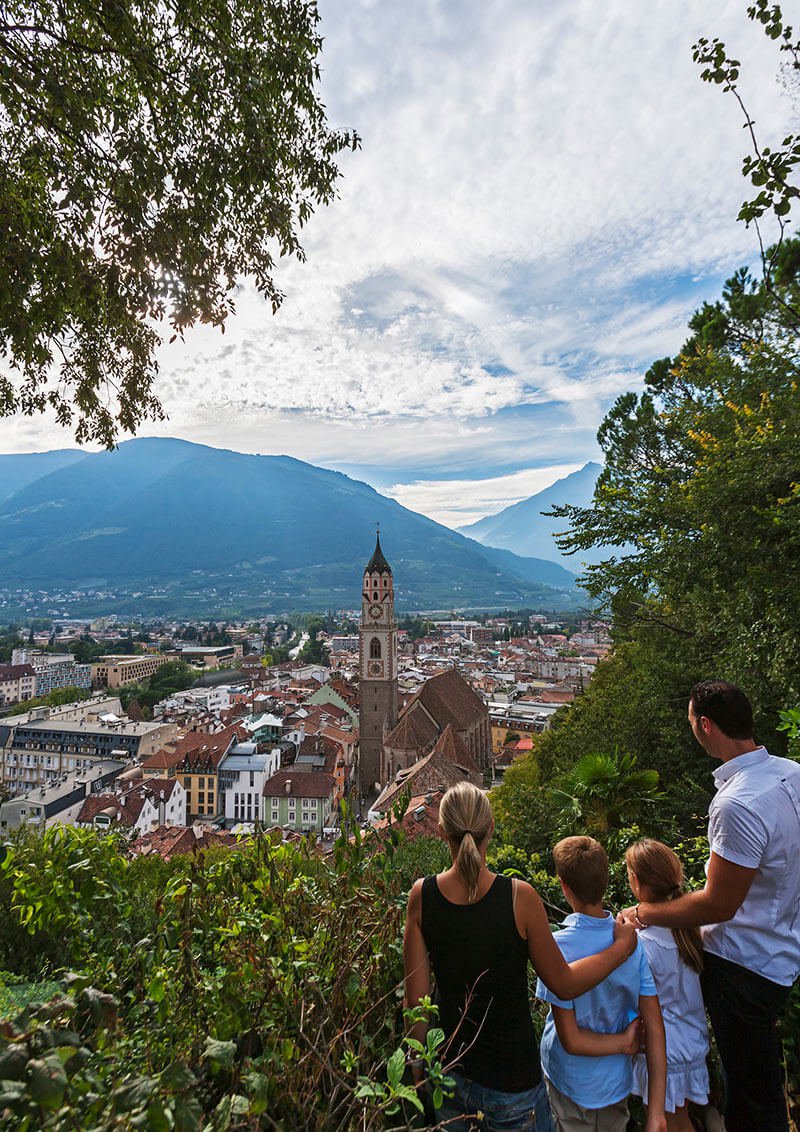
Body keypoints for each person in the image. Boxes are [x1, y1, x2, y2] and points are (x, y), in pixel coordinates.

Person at [403, 782, 639, 1132]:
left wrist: (416, 1071)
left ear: (442, 831)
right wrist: (621, 948)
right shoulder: (519, 897)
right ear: (492, 829)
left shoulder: (422, 897)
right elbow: (564, 983)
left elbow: (418, 1005)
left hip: (449, 1074)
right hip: (513, 1082)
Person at [620, 679, 800, 1131]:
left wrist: (645, 913)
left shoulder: (737, 803)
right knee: (756, 1081)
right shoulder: (791, 774)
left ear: (705, 725)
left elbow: (720, 904)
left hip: (745, 964)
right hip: (783, 948)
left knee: (751, 1096)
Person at [536, 836, 667, 1132]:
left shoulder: (557, 947)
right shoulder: (632, 943)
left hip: (568, 1081)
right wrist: (656, 1111)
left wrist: (623, 1043)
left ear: (564, 885)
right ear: (607, 880)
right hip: (614, 1082)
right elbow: (655, 1026)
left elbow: (571, 1039)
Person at [625, 839, 710, 1131]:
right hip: (692, 1043)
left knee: (669, 1123)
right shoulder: (690, 930)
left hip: (664, 1053)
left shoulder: (642, 944)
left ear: (636, 881)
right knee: (680, 1119)